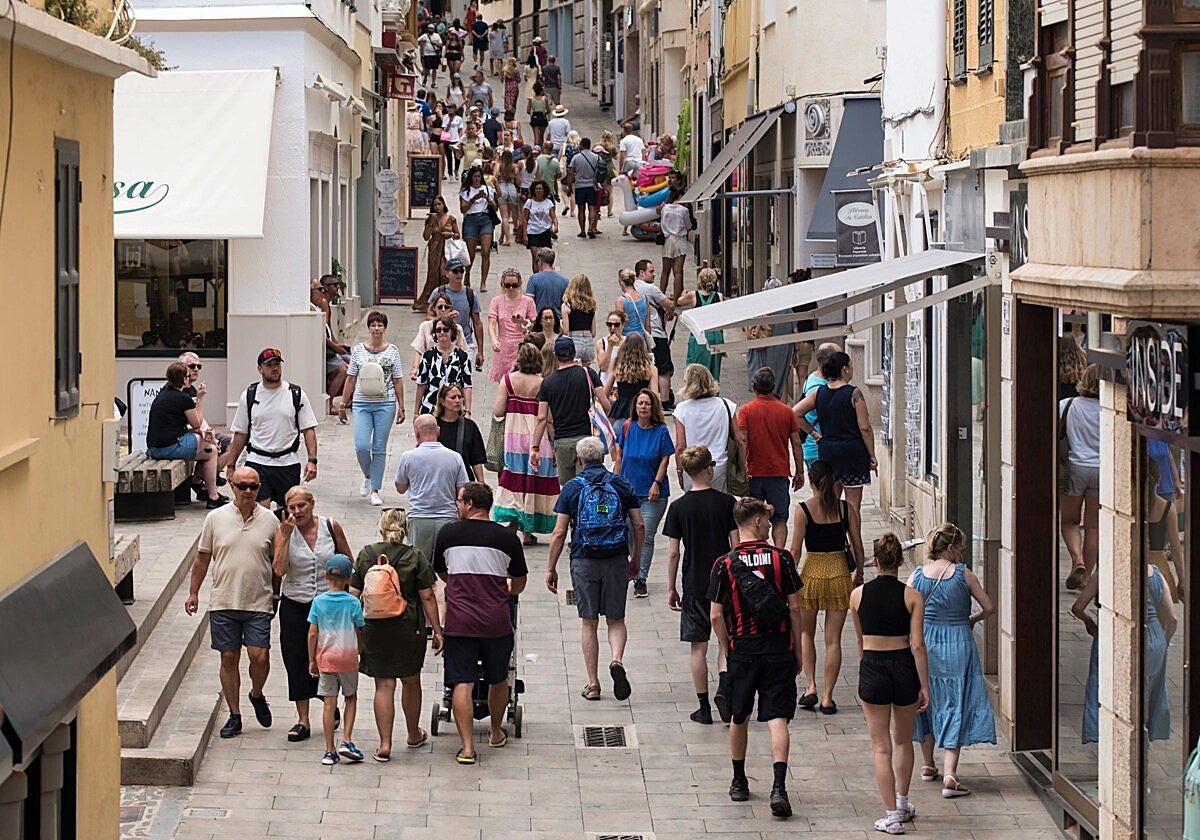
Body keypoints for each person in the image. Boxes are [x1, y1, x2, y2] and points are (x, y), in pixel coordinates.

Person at [708, 497, 804, 818]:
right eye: (767, 520)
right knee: (778, 717)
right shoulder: (782, 558)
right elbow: (794, 608)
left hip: (743, 649)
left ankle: (739, 780)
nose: (769, 526)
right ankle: (779, 787)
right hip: (778, 646)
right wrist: (798, 649)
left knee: (740, 715)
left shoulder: (724, 564)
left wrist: (727, 647)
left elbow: (715, 615)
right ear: (758, 521)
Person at [433, 482, 529, 763]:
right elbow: (519, 582)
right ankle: (495, 732)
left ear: (470, 504)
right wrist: (504, 589)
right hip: (495, 621)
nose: (457, 506)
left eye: (459, 501)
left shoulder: (448, 533)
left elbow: (442, 573)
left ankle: (466, 748)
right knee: (498, 679)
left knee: (462, 681)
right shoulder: (507, 538)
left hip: (460, 621)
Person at [546, 436, 645, 701]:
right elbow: (638, 525)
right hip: (616, 558)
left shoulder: (572, 487)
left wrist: (551, 568)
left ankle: (593, 684)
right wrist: (636, 559)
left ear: (579, 460)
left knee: (589, 622)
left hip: (584, 560)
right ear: (603, 457)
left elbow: (559, 533)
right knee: (616, 619)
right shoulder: (621, 484)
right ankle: (617, 660)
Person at [184, 466, 279, 739]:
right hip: (224, 599)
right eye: (242, 486)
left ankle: (257, 693)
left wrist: (276, 595)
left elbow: (278, 563)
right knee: (228, 657)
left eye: (253, 486)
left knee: (259, 655)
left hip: (258, 599)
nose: (248, 491)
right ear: (232, 487)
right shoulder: (215, 518)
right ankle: (235, 714)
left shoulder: (270, 520)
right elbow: (202, 557)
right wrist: (193, 592)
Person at [849, 533, 929, 835]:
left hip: (873, 665)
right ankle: (903, 801)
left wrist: (866, 668)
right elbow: (917, 645)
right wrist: (924, 685)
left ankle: (891, 816)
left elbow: (860, 641)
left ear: (875, 561)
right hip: (903, 666)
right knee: (903, 741)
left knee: (880, 747)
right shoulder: (912, 597)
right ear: (900, 561)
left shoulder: (857, 596)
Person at [909, 523, 997, 799]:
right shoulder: (963, 574)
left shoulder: (917, 575)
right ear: (950, 548)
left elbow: (905, 608)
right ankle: (950, 773)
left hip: (926, 641)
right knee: (955, 701)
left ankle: (927, 765)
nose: (962, 553)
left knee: (925, 700)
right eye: (960, 548)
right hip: (958, 641)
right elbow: (989, 607)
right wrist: (972, 619)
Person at [349, 508, 442, 761]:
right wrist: (437, 630)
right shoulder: (415, 556)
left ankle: (384, 744)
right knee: (411, 681)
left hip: (374, 627)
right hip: (408, 627)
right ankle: (413, 734)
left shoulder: (366, 554)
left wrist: (352, 631)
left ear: (381, 528)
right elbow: (427, 596)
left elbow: (353, 595)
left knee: (383, 685)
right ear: (405, 530)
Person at [272, 486, 352, 743]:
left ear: (312, 504)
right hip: (296, 602)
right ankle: (303, 719)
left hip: (328, 604)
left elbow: (348, 561)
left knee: (328, 657)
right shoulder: (284, 530)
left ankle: (329, 702)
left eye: (301, 506)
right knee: (296, 658)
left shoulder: (330, 526)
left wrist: (349, 598)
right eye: (292, 507)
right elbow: (279, 569)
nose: (297, 512)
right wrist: (285, 537)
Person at [664, 445, 738, 724]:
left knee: (698, 645)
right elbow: (736, 545)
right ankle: (724, 689)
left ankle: (703, 707)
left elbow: (673, 552)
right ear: (710, 469)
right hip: (724, 582)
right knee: (725, 640)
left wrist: (671, 587)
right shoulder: (726, 503)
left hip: (694, 582)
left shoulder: (678, 507)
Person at [791, 459, 865, 715]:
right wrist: (860, 574)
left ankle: (810, 686)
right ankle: (827, 697)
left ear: (811, 482)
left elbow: (795, 551)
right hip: (838, 573)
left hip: (811, 574)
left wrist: (787, 581)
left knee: (806, 633)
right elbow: (858, 545)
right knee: (833, 640)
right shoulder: (846, 509)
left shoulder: (803, 510)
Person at [225, 349, 319, 509]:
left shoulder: (296, 394)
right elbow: (240, 433)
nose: (274, 368)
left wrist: (312, 461)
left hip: (288, 463)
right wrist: (231, 465)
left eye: (277, 364)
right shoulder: (249, 395)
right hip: (257, 462)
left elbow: (308, 429)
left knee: (287, 513)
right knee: (261, 511)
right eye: (269, 365)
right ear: (260, 369)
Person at [793, 350, 877, 519]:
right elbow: (865, 427)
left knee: (830, 502)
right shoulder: (854, 394)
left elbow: (796, 412)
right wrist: (872, 454)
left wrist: (814, 433)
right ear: (845, 369)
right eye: (851, 366)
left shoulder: (819, 393)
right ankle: (853, 535)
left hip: (828, 452)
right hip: (852, 453)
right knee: (853, 506)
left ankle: (833, 533)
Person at [492, 343, 559, 545]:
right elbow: (548, 419)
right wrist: (554, 443)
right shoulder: (544, 383)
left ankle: (514, 518)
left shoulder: (507, 381)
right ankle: (528, 530)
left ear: (519, 359)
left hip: (513, 438)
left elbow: (498, 411)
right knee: (534, 481)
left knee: (514, 479)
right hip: (538, 439)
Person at [339, 311, 406, 506]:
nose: (377, 328)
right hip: (362, 403)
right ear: (368, 328)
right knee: (362, 446)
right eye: (373, 325)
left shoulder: (392, 351)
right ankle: (368, 475)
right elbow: (351, 378)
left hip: (385, 403)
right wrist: (343, 404)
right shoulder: (358, 350)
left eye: (380, 325)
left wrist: (402, 406)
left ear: (385, 328)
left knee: (379, 448)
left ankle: (375, 489)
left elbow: (397, 379)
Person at [613, 389, 675, 599]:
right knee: (630, 534)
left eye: (647, 403)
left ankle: (640, 577)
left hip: (652, 494)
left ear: (653, 406)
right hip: (628, 492)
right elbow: (619, 456)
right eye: (640, 403)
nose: (643, 407)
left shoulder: (661, 431)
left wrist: (657, 482)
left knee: (645, 534)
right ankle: (635, 565)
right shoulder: (627, 427)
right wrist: (615, 482)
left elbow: (665, 459)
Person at [305, 555, 365, 765]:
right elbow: (359, 628)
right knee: (351, 697)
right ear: (348, 578)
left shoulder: (318, 602)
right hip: (348, 658)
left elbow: (312, 633)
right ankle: (347, 740)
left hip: (326, 658)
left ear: (325, 576)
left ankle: (329, 750)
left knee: (329, 703)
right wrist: (360, 648)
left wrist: (312, 660)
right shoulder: (353, 602)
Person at [736, 367, 805, 548]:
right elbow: (796, 443)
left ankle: (757, 551)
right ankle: (779, 552)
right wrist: (800, 471)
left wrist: (742, 469)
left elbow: (743, 441)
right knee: (780, 518)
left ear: (754, 386)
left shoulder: (746, 411)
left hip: (753, 473)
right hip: (778, 473)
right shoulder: (786, 411)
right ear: (774, 386)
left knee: (753, 517)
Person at [531, 336, 611, 485]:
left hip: (563, 442)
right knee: (587, 485)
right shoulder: (588, 374)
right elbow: (606, 405)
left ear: (555, 355)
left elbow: (542, 418)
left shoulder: (547, 383)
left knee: (569, 488)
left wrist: (535, 448)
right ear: (574, 353)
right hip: (587, 440)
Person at [146, 362, 226, 508]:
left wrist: (200, 432)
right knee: (209, 445)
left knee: (210, 448)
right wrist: (200, 398)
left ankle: (211, 494)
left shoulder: (163, 394)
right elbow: (197, 423)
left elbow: (175, 427)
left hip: (154, 448)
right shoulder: (183, 398)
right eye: (188, 376)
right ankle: (210, 493)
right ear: (184, 379)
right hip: (169, 448)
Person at [394, 415, 471, 565]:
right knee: (447, 565)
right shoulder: (455, 457)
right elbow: (463, 489)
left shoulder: (408, 457)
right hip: (447, 518)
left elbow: (400, 488)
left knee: (418, 566)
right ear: (438, 431)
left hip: (419, 518)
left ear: (417, 433)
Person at [1060, 364, 1101, 590]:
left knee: (1069, 521)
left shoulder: (1067, 405)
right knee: (1093, 528)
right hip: (1100, 470)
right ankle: (1086, 579)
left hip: (1074, 468)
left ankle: (1078, 560)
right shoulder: (1109, 410)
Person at [671, 363, 737, 493]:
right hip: (719, 464)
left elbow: (680, 446)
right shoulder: (726, 405)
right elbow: (740, 439)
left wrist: (679, 470)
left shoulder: (682, 409)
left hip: (693, 466)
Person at [796, 342, 843, 478]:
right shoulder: (817, 388)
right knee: (824, 489)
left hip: (821, 448)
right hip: (817, 450)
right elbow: (796, 413)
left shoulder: (814, 378)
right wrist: (814, 433)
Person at [633, 259, 675, 405]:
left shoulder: (631, 288)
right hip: (656, 333)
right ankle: (665, 401)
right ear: (641, 273)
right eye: (651, 271)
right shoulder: (651, 289)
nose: (654, 274)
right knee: (663, 369)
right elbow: (669, 305)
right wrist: (670, 314)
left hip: (638, 335)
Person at [744, 278, 795, 400]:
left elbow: (750, 329)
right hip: (782, 350)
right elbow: (794, 329)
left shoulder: (760, 305)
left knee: (760, 380)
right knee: (781, 379)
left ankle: (761, 404)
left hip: (761, 350)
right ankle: (781, 407)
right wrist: (796, 350)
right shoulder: (787, 308)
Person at [431, 257, 485, 370]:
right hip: (442, 343)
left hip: (465, 344)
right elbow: (428, 316)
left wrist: (480, 351)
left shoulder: (470, 294)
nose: (459, 274)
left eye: (461, 271)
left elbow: (477, 323)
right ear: (447, 274)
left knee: (461, 376)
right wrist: (445, 318)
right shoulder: (439, 292)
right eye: (455, 271)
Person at [415, 315, 474, 417]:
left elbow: (467, 385)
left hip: (454, 410)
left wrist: (468, 411)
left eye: (445, 330)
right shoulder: (428, 356)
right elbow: (421, 384)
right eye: (438, 330)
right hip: (430, 407)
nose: (442, 332)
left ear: (452, 332)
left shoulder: (462, 356)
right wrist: (416, 412)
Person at [488, 267, 536, 380]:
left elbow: (535, 326)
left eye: (514, 285)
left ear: (519, 284)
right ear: (502, 284)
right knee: (504, 382)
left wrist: (523, 321)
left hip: (522, 346)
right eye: (507, 285)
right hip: (503, 346)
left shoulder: (528, 302)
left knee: (520, 379)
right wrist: (494, 340)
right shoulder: (496, 301)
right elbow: (492, 324)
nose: (510, 288)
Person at [677, 268, 724, 380]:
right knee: (714, 370)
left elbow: (679, 301)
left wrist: (683, 294)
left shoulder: (694, 295)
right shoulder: (719, 296)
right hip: (715, 335)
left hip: (700, 335)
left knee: (696, 369)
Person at [434, 384, 486, 482]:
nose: (458, 400)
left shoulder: (470, 426)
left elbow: (476, 459)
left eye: (460, 397)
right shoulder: (433, 424)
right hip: (439, 480)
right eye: (453, 397)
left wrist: (481, 483)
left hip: (464, 480)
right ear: (442, 401)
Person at [410, 292, 468, 379]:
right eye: (440, 307)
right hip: (429, 371)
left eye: (446, 307)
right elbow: (419, 350)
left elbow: (463, 352)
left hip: (451, 372)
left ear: (450, 309)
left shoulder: (457, 329)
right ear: (434, 308)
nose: (443, 310)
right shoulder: (425, 326)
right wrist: (415, 368)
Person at [418, 196, 461, 312]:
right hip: (434, 249)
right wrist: (430, 223)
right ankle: (429, 302)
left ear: (444, 205)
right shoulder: (431, 220)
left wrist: (450, 234)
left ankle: (446, 301)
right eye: (435, 205)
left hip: (447, 249)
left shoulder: (451, 219)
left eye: (439, 204)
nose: (437, 207)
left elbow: (458, 235)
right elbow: (426, 236)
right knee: (433, 275)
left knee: (444, 273)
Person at [458, 166, 497, 292]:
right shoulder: (466, 191)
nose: (477, 179)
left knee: (486, 251)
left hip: (485, 219)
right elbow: (463, 209)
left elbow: (495, 207)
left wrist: (488, 200)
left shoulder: (488, 189)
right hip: (471, 220)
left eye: (479, 176)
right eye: (474, 176)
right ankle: (467, 274)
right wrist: (473, 199)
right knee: (471, 253)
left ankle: (483, 281)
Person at [605, 332, 657, 425]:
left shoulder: (618, 366)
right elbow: (655, 395)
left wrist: (617, 401)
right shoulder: (651, 369)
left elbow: (606, 392)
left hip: (620, 412)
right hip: (641, 413)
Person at [566, 136, 604, 238]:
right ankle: (590, 228)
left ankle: (582, 231)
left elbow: (570, 173)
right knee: (592, 208)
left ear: (582, 145)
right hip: (592, 186)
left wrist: (569, 186)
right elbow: (601, 171)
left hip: (580, 186)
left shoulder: (576, 158)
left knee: (581, 209)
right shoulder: (596, 157)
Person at [657, 189, 691, 300]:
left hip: (667, 240)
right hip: (680, 240)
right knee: (678, 272)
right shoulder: (684, 210)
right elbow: (688, 225)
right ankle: (676, 300)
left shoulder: (665, 209)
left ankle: (660, 297)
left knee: (665, 272)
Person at [521, 180, 558, 271]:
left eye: (540, 189)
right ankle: (536, 275)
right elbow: (525, 219)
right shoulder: (529, 202)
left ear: (544, 190)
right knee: (536, 257)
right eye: (536, 189)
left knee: (546, 258)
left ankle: (545, 273)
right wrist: (525, 234)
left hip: (545, 231)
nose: (538, 190)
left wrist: (556, 226)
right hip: (532, 231)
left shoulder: (548, 202)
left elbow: (553, 216)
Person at [561, 273, 597, 364]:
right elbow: (593, 332)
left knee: (575, 370)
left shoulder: (567, 305)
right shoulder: (591, 306)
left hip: (575, 340)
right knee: (586, 371)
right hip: (589, 341)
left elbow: (566, 332)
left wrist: (561, 324)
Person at [525, 247, 570, 318]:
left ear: (540, 262)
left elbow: (528, 302)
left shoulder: (533, 279)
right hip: (558, 319)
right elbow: (566, 303)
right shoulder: (565, 281)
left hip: (540, 319)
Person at [494, 151, 521, 246]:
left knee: (504, 217)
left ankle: (508, 239)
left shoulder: (498, 166)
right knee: (507, 215)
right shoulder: (515, 167)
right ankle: (502, 237)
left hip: (502, 189)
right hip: (512, 189)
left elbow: (494, 178)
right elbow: (519, 181)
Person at [616, 267, 649, 341]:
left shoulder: (621, 301)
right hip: (641, 339)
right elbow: (648, 325)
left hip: (627, 339)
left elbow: (619, 325)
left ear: (621, 282)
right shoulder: (645, 298)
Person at [596, 309, 627, 386]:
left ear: (623, 325)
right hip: (605, 383)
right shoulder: (601, 343)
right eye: (609, 324)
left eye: (616, 325)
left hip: (622, 383)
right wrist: (610, 346)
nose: (612, 328)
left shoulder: (628, 342)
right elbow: (603, 368)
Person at [526, 81, 549, 147]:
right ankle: (541, 148)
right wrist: (545, 112)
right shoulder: (545, 99)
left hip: (535, 117)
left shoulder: (531, 99)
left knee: (536, 136)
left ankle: (536, 148)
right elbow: (548, 110)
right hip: (542, 117)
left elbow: (528, 111)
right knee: (541, 135)